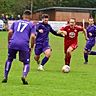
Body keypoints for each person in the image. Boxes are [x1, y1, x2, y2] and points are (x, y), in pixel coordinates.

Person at [2, 10, 36, 85]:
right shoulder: (31, 24)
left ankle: (5, 76)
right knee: (26, 62)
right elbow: (33, 36)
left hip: (13, 42)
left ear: (23, 16)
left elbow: (10, 32)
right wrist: (31, 47)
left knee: (9, 59)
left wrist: (9, 42)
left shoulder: (15, 22)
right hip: (24, 44)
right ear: (30, 16)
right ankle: (24, 76)